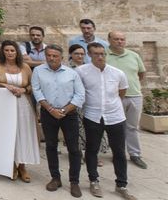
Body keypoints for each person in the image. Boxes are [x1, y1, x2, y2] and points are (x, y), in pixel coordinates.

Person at [76, 43, 137, 200]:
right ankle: (94, 181)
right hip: (92, 116)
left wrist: (110, 105)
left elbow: (121, 92)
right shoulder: (81, 72)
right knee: (92, 150)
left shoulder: (117, 73)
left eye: (102, 53)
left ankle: (121, 185)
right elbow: (79, 92)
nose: (100, 57)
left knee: (119, 152)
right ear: (89, 55)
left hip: (115, 116)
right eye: (96, 54)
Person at [32, 44, 85, 198]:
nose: (51, 58)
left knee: (74, 148)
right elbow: (37, 91)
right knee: (51, 146)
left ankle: (74, 181)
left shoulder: (72, 73)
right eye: (49, 55)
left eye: (55, 56)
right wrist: (50, 110)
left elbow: (80, 94)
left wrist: (64, 110)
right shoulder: (38, 71)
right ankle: (55, 178)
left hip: (69, 114)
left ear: (61, 58)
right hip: (48, 113)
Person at [0, 41, 39, 183]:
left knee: (22, 133)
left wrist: (24, 89)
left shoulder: (25, 67)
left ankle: (22, 166)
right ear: (2, 52)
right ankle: (10, 165)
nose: (9, 53)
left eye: (12, 50)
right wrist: (5, 85)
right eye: (7, 50)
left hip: (23, 105)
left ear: (17, 52)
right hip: (4, 105)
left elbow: (32, 85)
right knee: (9, 133)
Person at [106, 31, 148, 170]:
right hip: (115, 97)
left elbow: (141, 74)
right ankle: (118, 154)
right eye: (116, 39)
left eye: (122, 39)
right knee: (115, 128)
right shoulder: (105, 55)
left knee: (132, 127)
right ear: (109, 40)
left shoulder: (134, 55)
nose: (119, 41)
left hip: (134, 96)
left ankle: (135, 154)